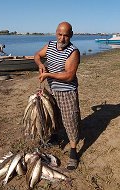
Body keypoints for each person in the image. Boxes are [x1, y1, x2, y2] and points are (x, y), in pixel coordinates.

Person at [34, 21, 81, 170]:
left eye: (66, 35)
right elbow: (37, 55)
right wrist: (40, 65)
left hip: (67, 91)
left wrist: (48, 74)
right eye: (59, 35)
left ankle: (73, 152)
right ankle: (54, 136)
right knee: (53, 115)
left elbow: (69, 76)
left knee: (70, 120)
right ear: (56, 33)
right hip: (52, 89)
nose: (62, 39)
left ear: (71, 35)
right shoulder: (50, 45)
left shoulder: (73, 52)